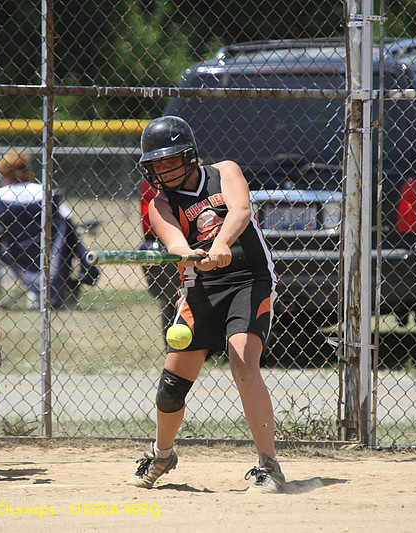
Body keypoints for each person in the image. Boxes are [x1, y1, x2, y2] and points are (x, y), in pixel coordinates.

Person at [130, 116, 284, 493]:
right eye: (157, 165)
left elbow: (241, 211)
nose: (164, 170)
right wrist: (191, 255)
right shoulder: (160, 204)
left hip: (250, 280)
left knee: (242, 360)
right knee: (170, 387)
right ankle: (162, 454)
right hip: (201, 290)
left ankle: (269, 465)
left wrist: (220, 245)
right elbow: (176, 246)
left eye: (172, 161)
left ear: (190, 155)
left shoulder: (224, 171)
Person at [0, 149, 99, 309]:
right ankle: (54, 291)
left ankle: (34, 292)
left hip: (12, 254)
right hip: (50, 253)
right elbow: (69, 222)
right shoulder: (47, 193)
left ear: (4, 174)